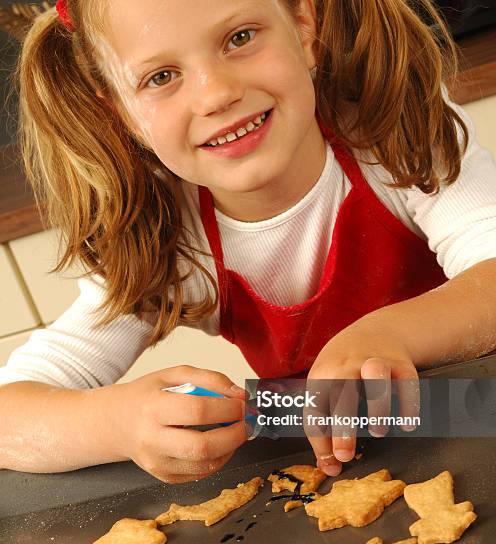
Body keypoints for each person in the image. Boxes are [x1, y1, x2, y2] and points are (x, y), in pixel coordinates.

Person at [1, 0, 495, 482]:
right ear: (122, 115)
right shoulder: (172, 239)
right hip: (343, 474)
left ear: (303, 25)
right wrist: (115, 424)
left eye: (239, 39)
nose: (216, 94)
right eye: (161, 77)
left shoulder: (396, 133)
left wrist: (387, 337)